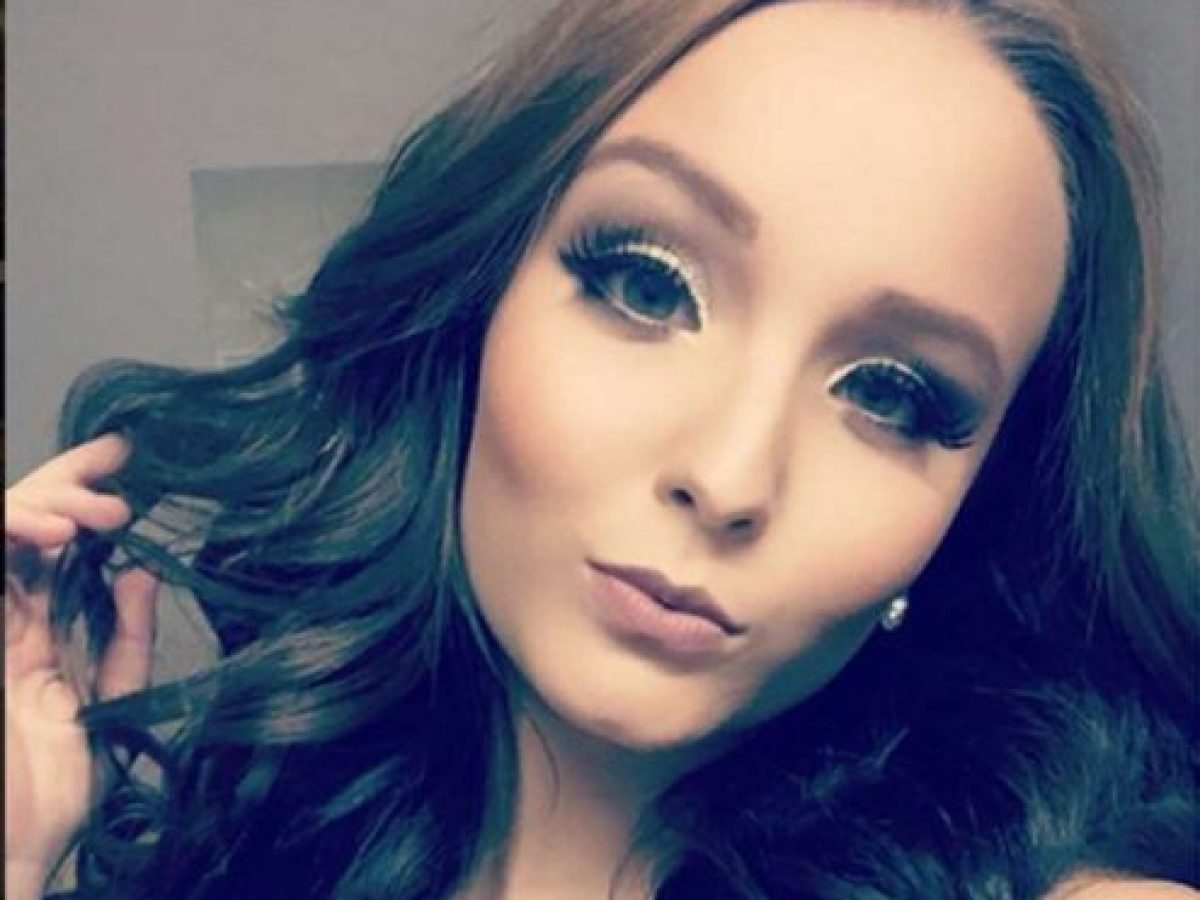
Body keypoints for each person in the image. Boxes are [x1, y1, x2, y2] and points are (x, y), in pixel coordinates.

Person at [5, 0, 1198, 897]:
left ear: (975, 506)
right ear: (474, 304)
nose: (729, 477)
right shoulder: (258, 839)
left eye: (890, 395)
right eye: (647, 285)